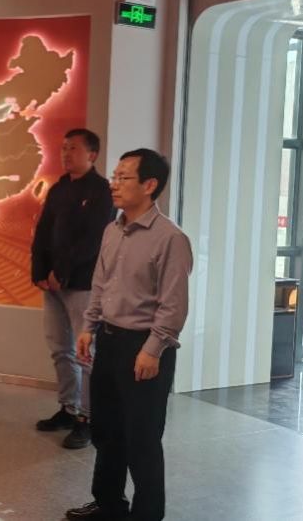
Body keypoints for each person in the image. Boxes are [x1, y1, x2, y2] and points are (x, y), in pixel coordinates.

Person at [67, 149, 192, 521]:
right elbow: (101, 284)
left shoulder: (170, 238)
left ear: (149, 185)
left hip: (144, 348)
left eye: (123, 177)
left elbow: (173, 304)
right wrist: (88, 327)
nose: (114, 184)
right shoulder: (113, 229)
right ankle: (109, 504)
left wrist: (153, 349)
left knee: (142, 439)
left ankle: (147, 514)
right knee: (106, 431)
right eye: (114, 176)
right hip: (109, 340)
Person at [30, 128, 113, 449]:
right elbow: (43, 232)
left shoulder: (102, 191)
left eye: (73, 148)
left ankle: (87, 418)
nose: (65, 153)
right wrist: (40, 272)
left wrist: (61, 273)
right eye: (64, 148)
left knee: (85, 353)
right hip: (52, 284)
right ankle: (68, 407)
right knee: (59, 348)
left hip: (81, 285)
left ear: (92, 154)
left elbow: (92, 241)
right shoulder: (60, 188)